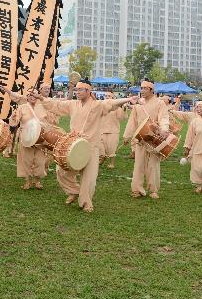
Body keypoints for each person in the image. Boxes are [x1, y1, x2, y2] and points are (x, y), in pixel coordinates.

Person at [41, 81, 137, 212]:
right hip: (73, 145)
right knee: (61, 171)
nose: (78, 92)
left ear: (88, 91)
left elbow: (110, 103)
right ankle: (74, 191)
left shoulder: (97, 105)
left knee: (89, 178)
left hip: (91, 146)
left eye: (81, 90)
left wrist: (128, 99)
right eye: (77, 90)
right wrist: (41, 98)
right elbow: (56, 105)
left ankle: (86, 202)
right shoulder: (73, 104)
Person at [123, 80, 171, 200]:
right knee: (138, 165)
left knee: (153, 165)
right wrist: (127, 136)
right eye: (141, 88)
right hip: (140, 139)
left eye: (145, 88)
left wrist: (164, 129)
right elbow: (132, 121)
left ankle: (153, 190)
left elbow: (164, 117)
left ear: (151, 90)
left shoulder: (160, 103)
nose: (142, 91)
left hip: (154, 139)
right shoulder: (138, 104)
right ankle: (136, 189)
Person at [7, 90, 49, 190]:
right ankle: (28, 181)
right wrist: (13, 118)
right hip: (26, 137)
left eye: (34, 95)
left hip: (40, 138)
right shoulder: (22, 107)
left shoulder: (43, 107)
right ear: (27, 97)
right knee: (26, 160)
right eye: (30, 95)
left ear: (37, 96)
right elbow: (14, 122)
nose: (32, 97)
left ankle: (37, 180)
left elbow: (49, 121)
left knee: (40, 160)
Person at [99, 92, 126, 169]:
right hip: (101, 130)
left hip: (113, 130)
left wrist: (123, 109)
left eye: (109, 96)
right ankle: (102, 157)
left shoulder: (117, 107)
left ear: (113, 98)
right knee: (100, 147)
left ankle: (111, 163)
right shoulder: (100, 106)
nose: (107, 97)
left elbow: (121, 118)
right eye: (106, 96)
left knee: (111, 148)